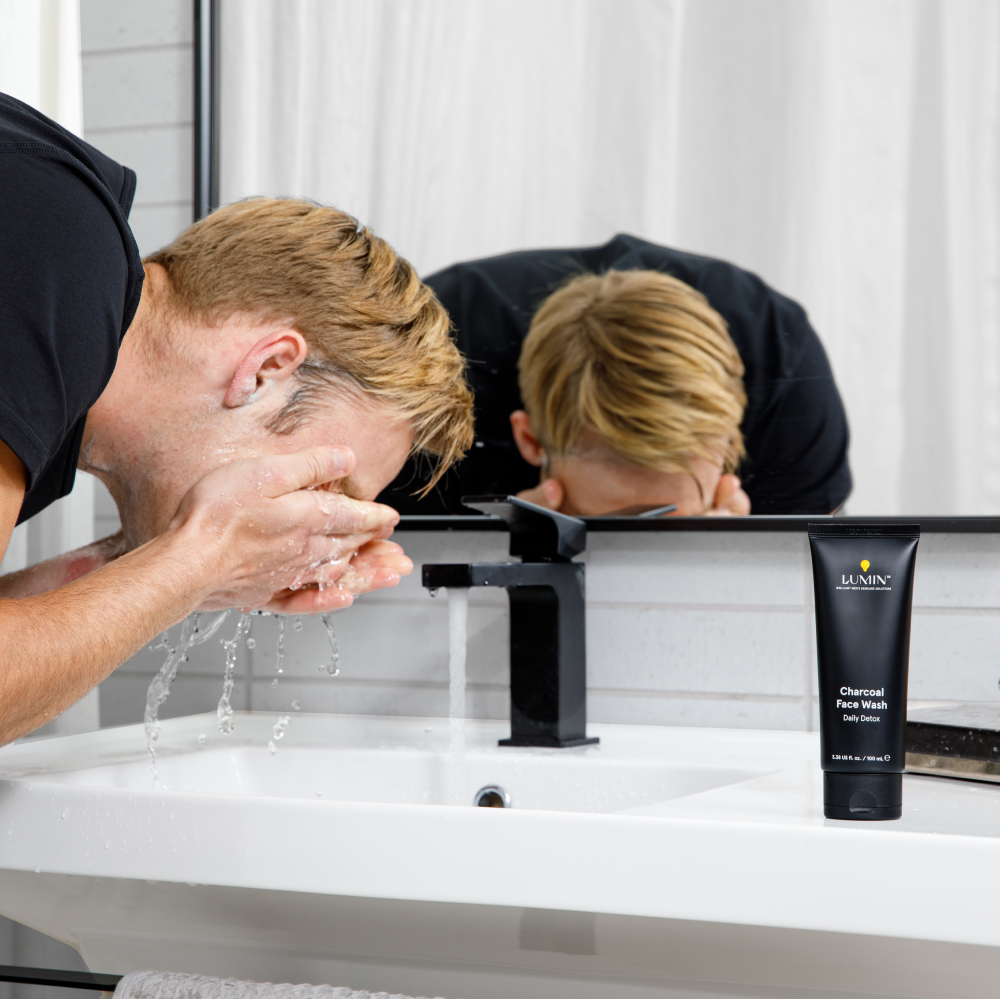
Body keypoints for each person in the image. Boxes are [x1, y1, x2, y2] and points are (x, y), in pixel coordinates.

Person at [0, 94, 472, 745]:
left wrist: (165, 566)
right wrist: (203, 557)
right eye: (323, 485)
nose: (306, 513)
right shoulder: (50, 247)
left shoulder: (55, 349)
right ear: (267, 369)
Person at [378, 235, 850, 516]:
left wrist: (744, 561)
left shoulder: (785, 374)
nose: (643, 548)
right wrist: (483, 551)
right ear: (531, 440)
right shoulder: (413, 373)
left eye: (673, 520)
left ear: (728, 443)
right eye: (614, 524)